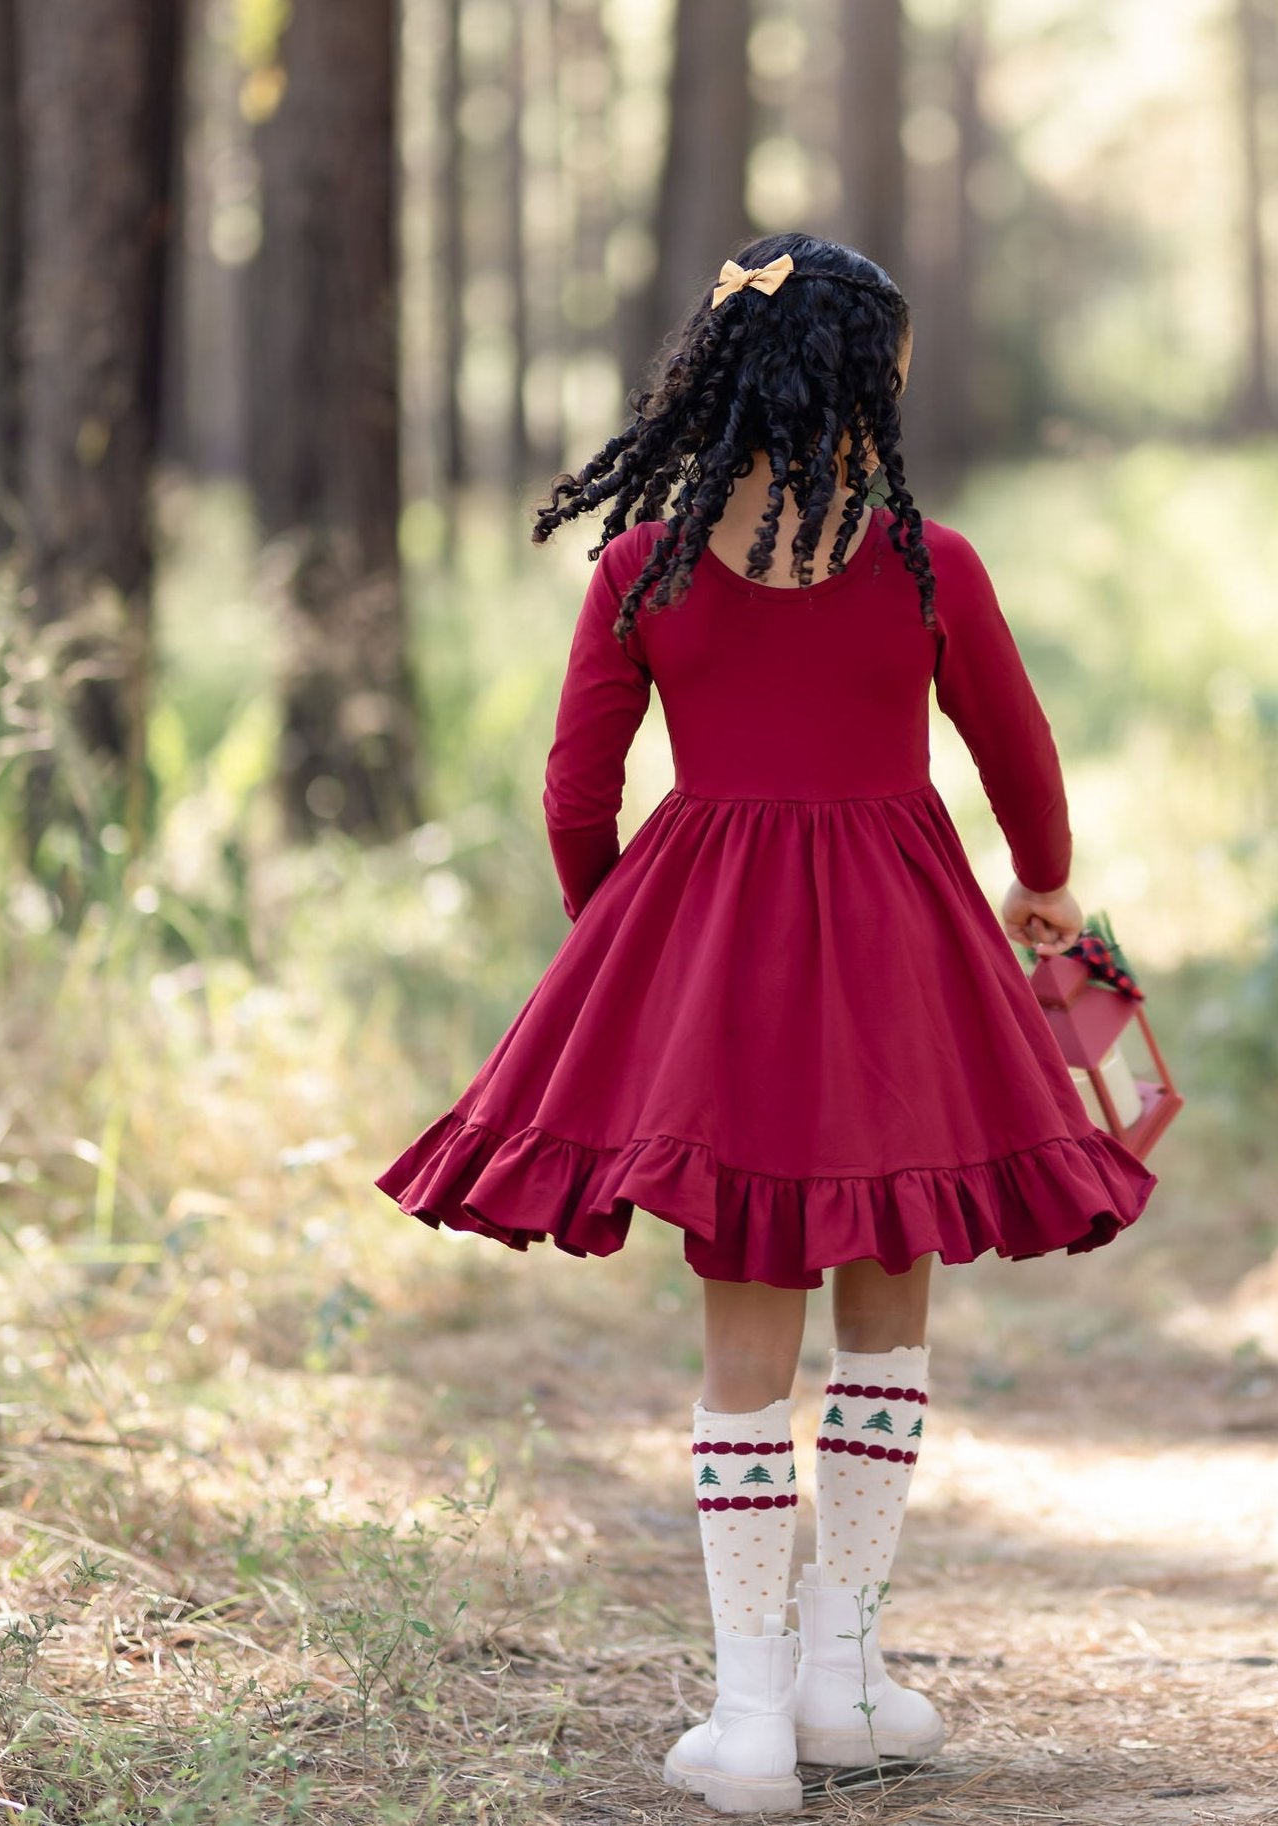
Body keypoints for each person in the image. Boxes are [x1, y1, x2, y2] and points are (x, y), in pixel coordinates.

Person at [375, 231, 1158, 1815]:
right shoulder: (927, 560)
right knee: (888, 1298)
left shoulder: (638, 566)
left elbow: (573, 789)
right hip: (903, 960)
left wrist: (622, 932)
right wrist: (1048, 894)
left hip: (709, 957)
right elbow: (1020, 758)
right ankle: (846, 1678)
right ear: (868, 372)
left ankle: (744, 1721)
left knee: (742, 1325)